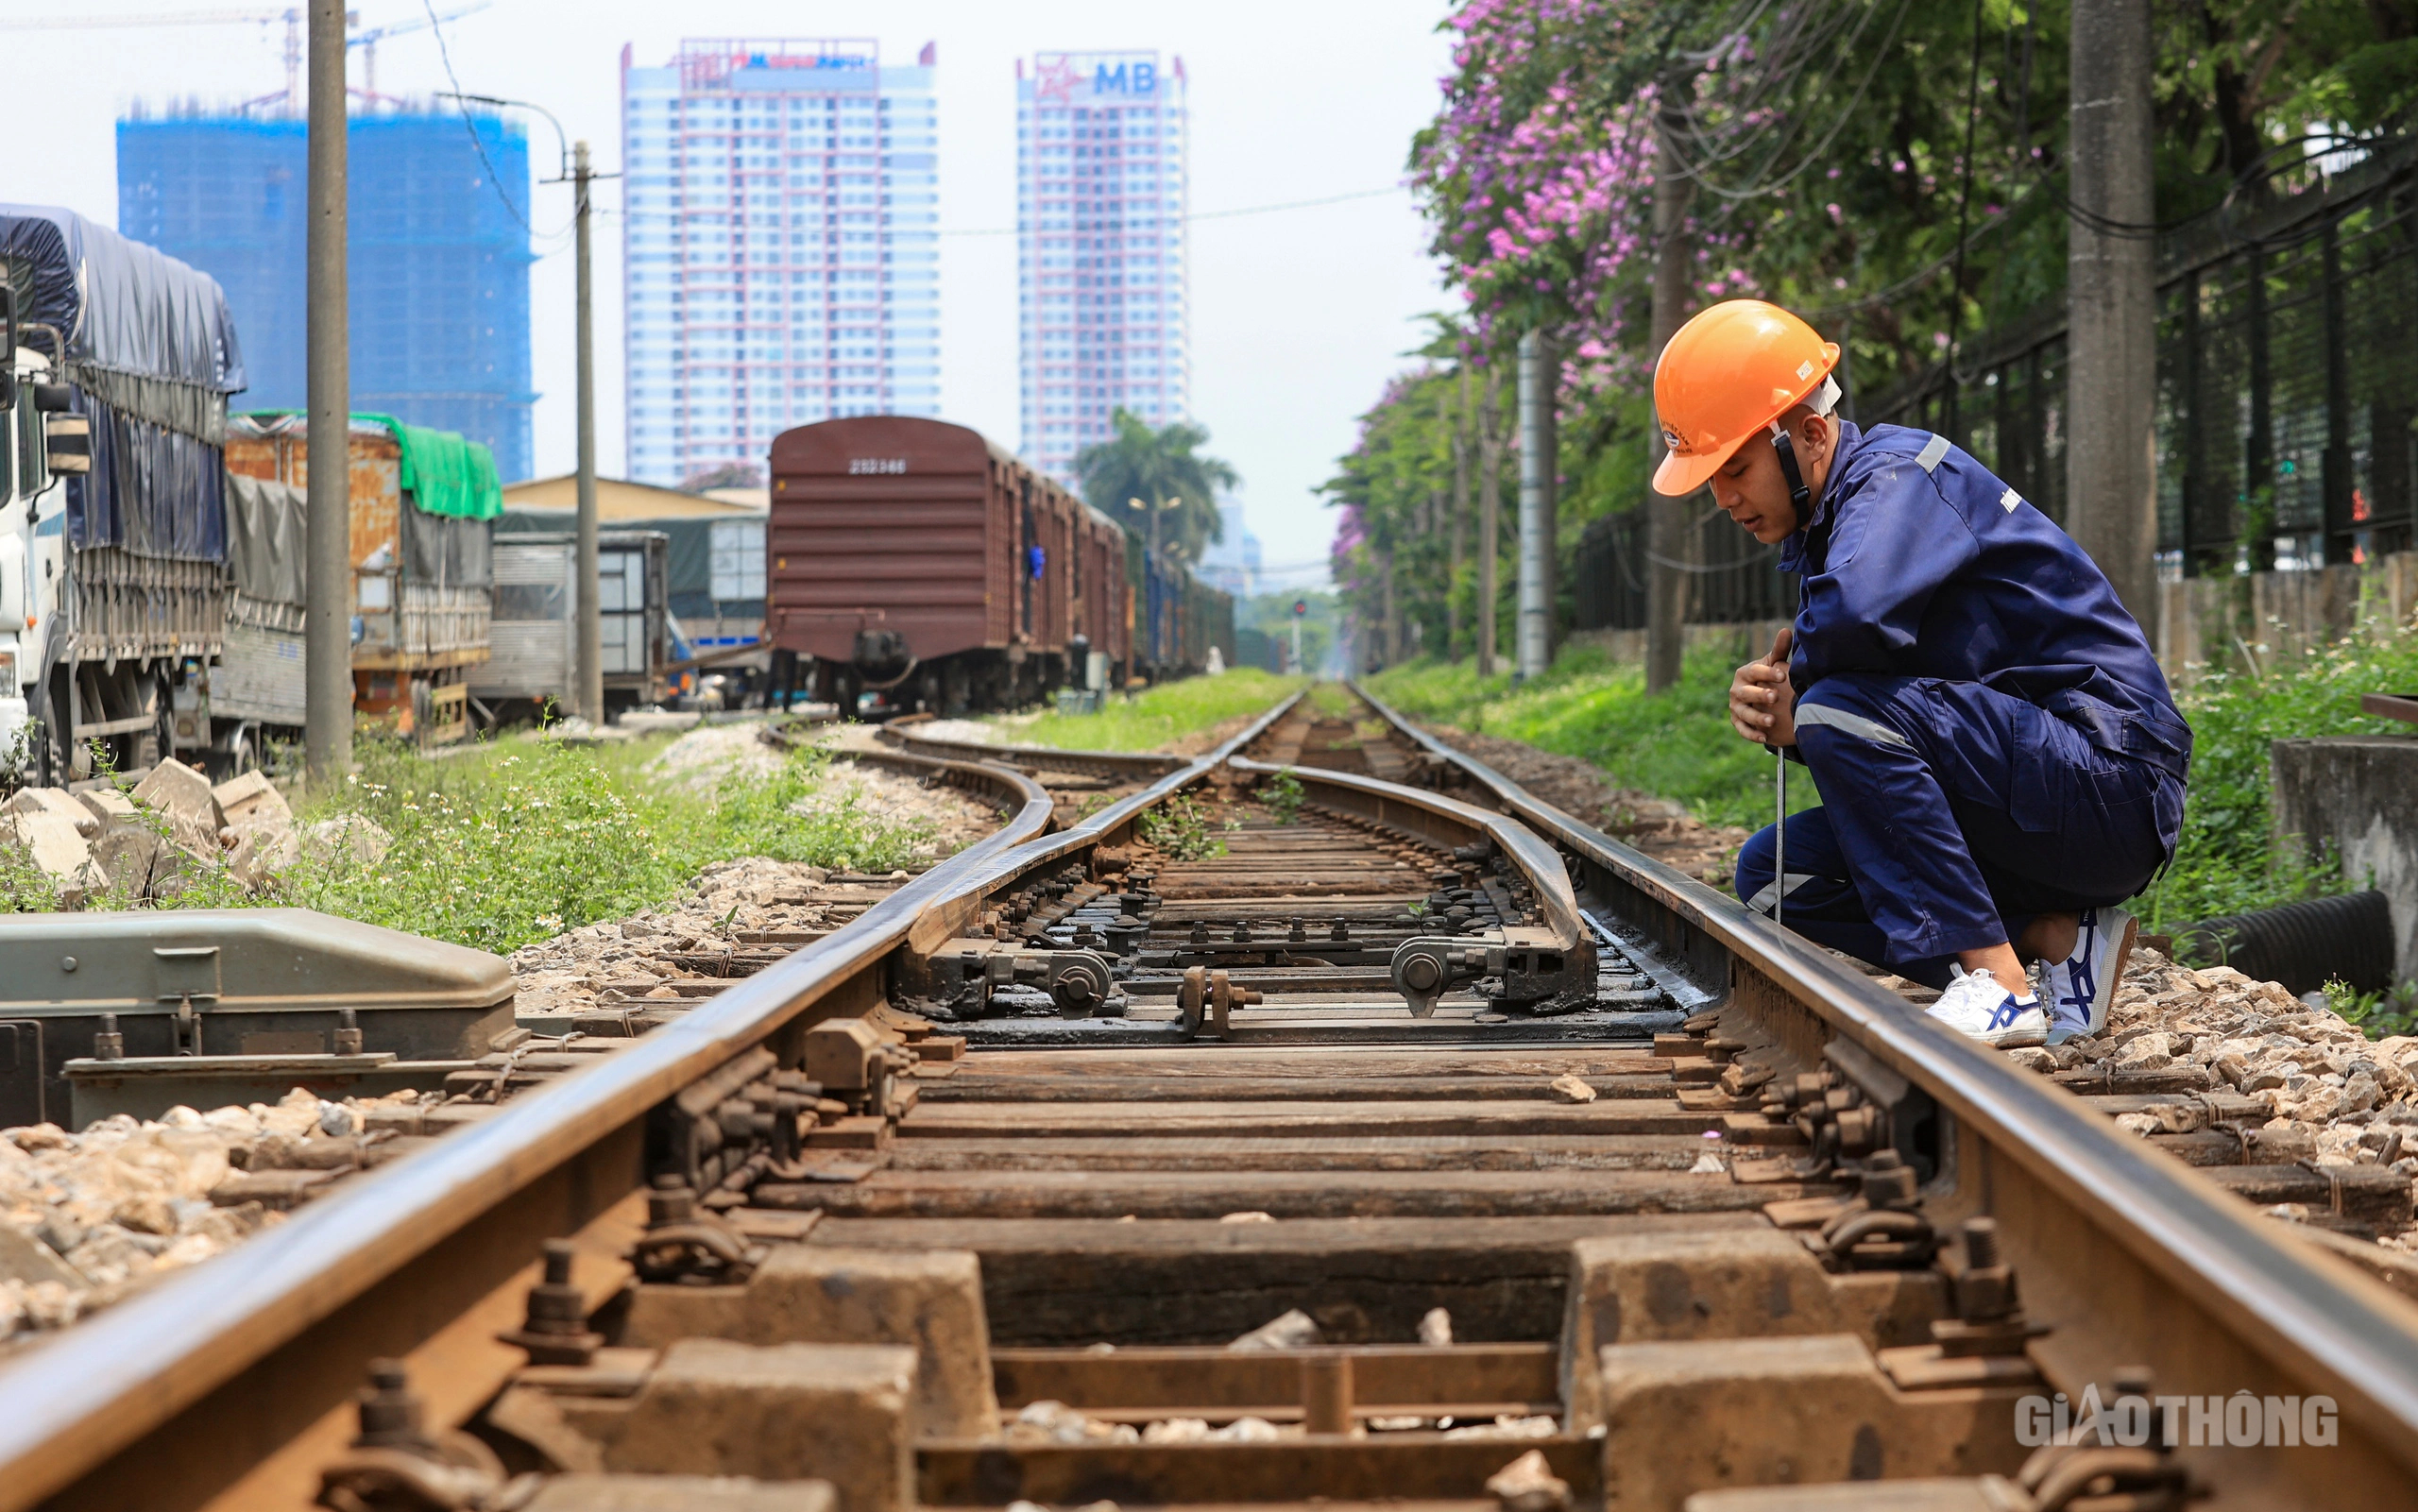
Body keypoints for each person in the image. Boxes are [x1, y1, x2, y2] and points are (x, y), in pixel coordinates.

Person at [1651, 299, 2190, 1049]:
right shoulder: (1836, 522)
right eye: (1712, 478)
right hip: (2034, 791)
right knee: (1776, 874)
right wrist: (1799, 712)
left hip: (2110, 780)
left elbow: (1856, 623)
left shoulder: (1896, 478)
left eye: (1735, 467)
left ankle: (1999, 988)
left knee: (1833, 706)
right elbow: (1899, 724)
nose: (1724, 497)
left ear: (1809, 434)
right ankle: (2058, 939)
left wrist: (1797, 699)